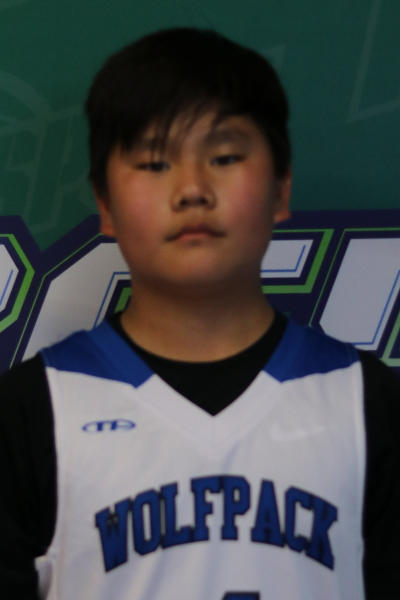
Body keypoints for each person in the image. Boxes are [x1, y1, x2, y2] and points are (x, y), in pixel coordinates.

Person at [0, 28, 399, 600]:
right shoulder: (29, 412)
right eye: (154, 162)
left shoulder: (368, 404)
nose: (192, 189)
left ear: (281, 189)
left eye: (225, 157)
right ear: (105, 204)